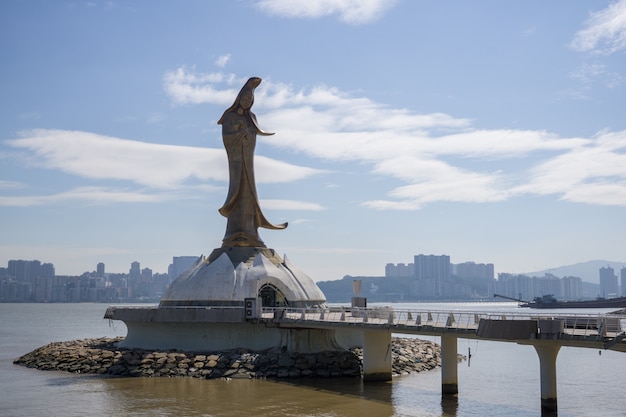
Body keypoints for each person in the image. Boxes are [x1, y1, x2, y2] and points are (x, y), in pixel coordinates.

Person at [217, 77, 287, 247]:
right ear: (239, 98)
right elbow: (227, 138)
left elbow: (254, 133)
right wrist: (240, 134)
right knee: (238, 193)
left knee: (249, 194)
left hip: (247, 161)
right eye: (245, 99)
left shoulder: (252, 117)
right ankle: (235, 233)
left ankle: (251, 231)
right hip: (237, 163)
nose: (247, 102)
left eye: (250, 100)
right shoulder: (229, 117)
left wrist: (248, 134)